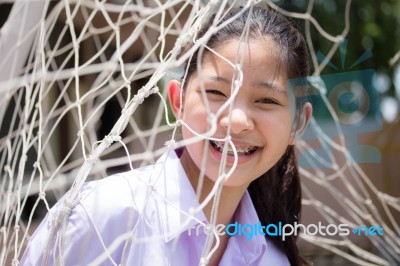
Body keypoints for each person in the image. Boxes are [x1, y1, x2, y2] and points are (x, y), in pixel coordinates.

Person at [21, 6, 312, 266]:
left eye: (266, 101)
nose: (236, 122)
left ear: (298, 123)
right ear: (178, 101)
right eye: (216, 92)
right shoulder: (101, 216)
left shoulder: (272, 258)